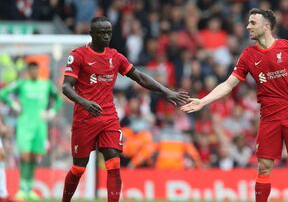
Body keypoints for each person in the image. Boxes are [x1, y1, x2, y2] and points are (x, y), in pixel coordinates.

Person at [181, 8, 288, 202]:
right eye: (248, 23)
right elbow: (229, 84)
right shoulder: (248, 55)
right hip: (268, 117)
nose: (248, 26)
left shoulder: (287, 47)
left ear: (266, 26)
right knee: (264, 167)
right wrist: (203, 101)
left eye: (253, 23)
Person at [61, 16, 189, 202]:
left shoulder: (115, 57)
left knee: (113, 162)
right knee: (79, 168)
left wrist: (167, 92)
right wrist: (85, 102)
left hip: (109, 117)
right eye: (102, 33)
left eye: (109, 33)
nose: (106, 36)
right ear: (91, 34)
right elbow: (66, 87)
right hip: (85, 117)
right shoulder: (79, 55)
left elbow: (139, 77)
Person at [0, 62, 63, 200]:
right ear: (28, 71)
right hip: (24, 125)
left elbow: (58, 98)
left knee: (34, 157)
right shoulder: (22, 84)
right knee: (25, 155)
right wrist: (14, 104)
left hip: (40, 126)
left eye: (36, 69)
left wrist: (51, 112)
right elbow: (3, 93)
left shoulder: (45, 85)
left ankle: (30, 188)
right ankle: (23, 188)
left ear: (38, 70)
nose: (34, 72)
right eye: (31, 69)